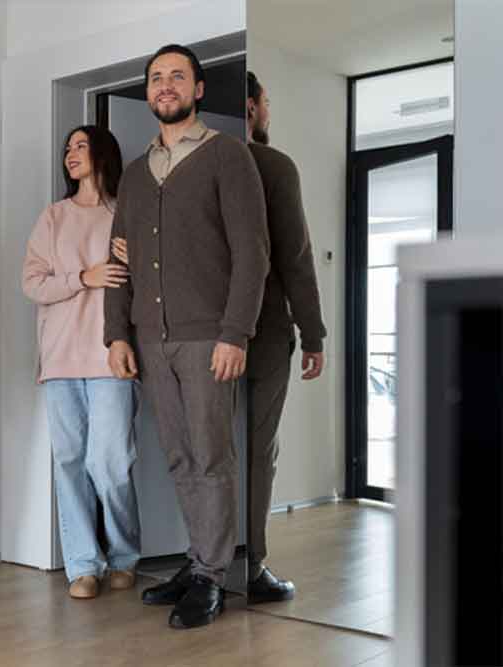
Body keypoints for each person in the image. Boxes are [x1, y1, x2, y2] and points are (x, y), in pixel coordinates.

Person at [103, 44, 269, 629]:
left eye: (177, 76)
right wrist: (115, 333)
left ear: (199, 89)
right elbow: (118, 259)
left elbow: (253, 252)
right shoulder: (133, 173)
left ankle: (212, 576)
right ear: (148, 93)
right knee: (179, 456)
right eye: (155, 78)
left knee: (211, 454)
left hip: (208, 339)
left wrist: (235, 332)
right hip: (150, 339)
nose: (164, 85)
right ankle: (200, 561)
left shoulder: (228, 157)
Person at [22, 125, 141, 600]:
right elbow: (33, 284)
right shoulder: (52, 217)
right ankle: (83, 565)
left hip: (112, 356)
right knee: (69, 461)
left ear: (103, 153)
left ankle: (126, 554)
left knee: (110, 463)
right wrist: (83, 276)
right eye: (67, 147)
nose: (71, 153)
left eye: (80, 145)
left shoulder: (125, 215)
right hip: (60, 358)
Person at [243, 71, 326, 602]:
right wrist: (313, 333)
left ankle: (205, 561)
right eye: (266, 102)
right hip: (266, 330)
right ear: (251, 108)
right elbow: (295, 256)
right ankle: (249, 568)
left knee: (210, 453)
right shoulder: (272, 165)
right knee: (256, 449)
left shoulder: (191, 166)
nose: (268, 111)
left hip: (196, 335)